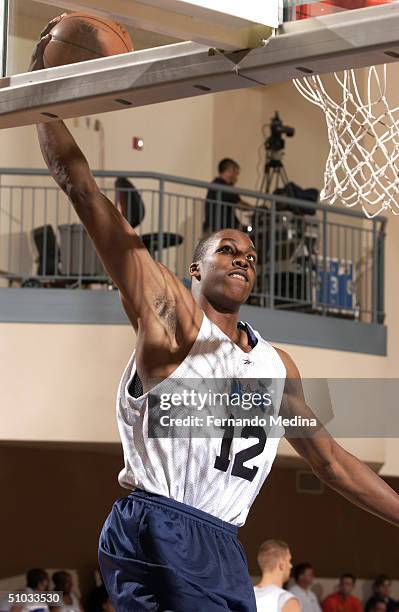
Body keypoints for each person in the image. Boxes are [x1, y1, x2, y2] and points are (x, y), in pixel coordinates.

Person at [31, 17, 399, 612]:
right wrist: (42, 94)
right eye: (226, 249)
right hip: (158, 524)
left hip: (221, 543)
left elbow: (332, 463)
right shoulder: (172, 316)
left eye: (250, 255)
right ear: (194, 270)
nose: (242, 258)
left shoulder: (277, 367)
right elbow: (83, 191)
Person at [204, 158, 251, 234]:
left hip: (215, 229)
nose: (236, 178)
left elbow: (228, 211)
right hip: (221, 231)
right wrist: (255, 209)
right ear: (230, 170)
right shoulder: (224, 187)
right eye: (236, 173)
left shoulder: (215, 184)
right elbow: (240, 204)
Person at [254, 540, 300, 612]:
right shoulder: (287, 600)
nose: (291, 566)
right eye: (289, 561)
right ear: (282, 565)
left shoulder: (245, 595)